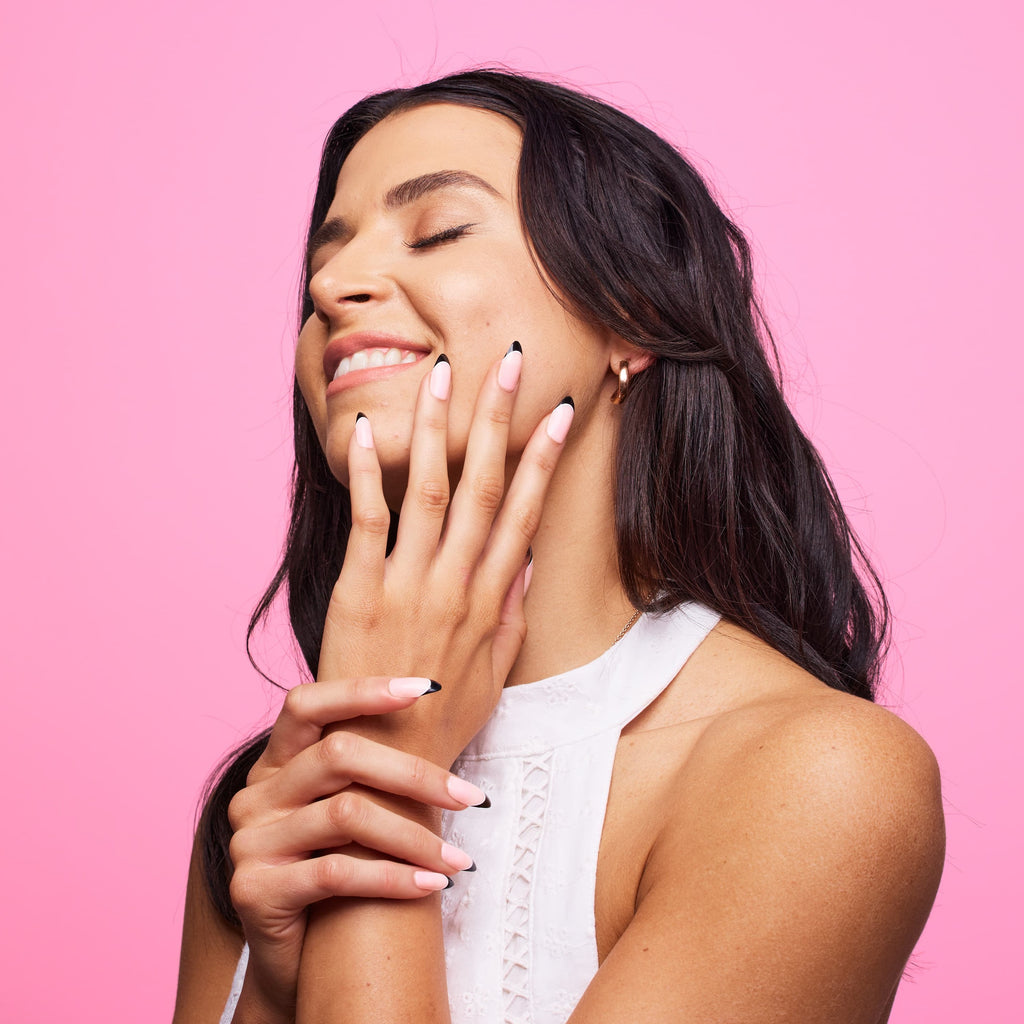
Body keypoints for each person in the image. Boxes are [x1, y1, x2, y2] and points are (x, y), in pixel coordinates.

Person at [173, 69, 944, 1024]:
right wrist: (280, 981)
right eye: (321, 264)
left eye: (439, 230)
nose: (330, 287)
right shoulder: (276, 801)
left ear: (629, 312)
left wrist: (380, 819)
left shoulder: (814, 777)